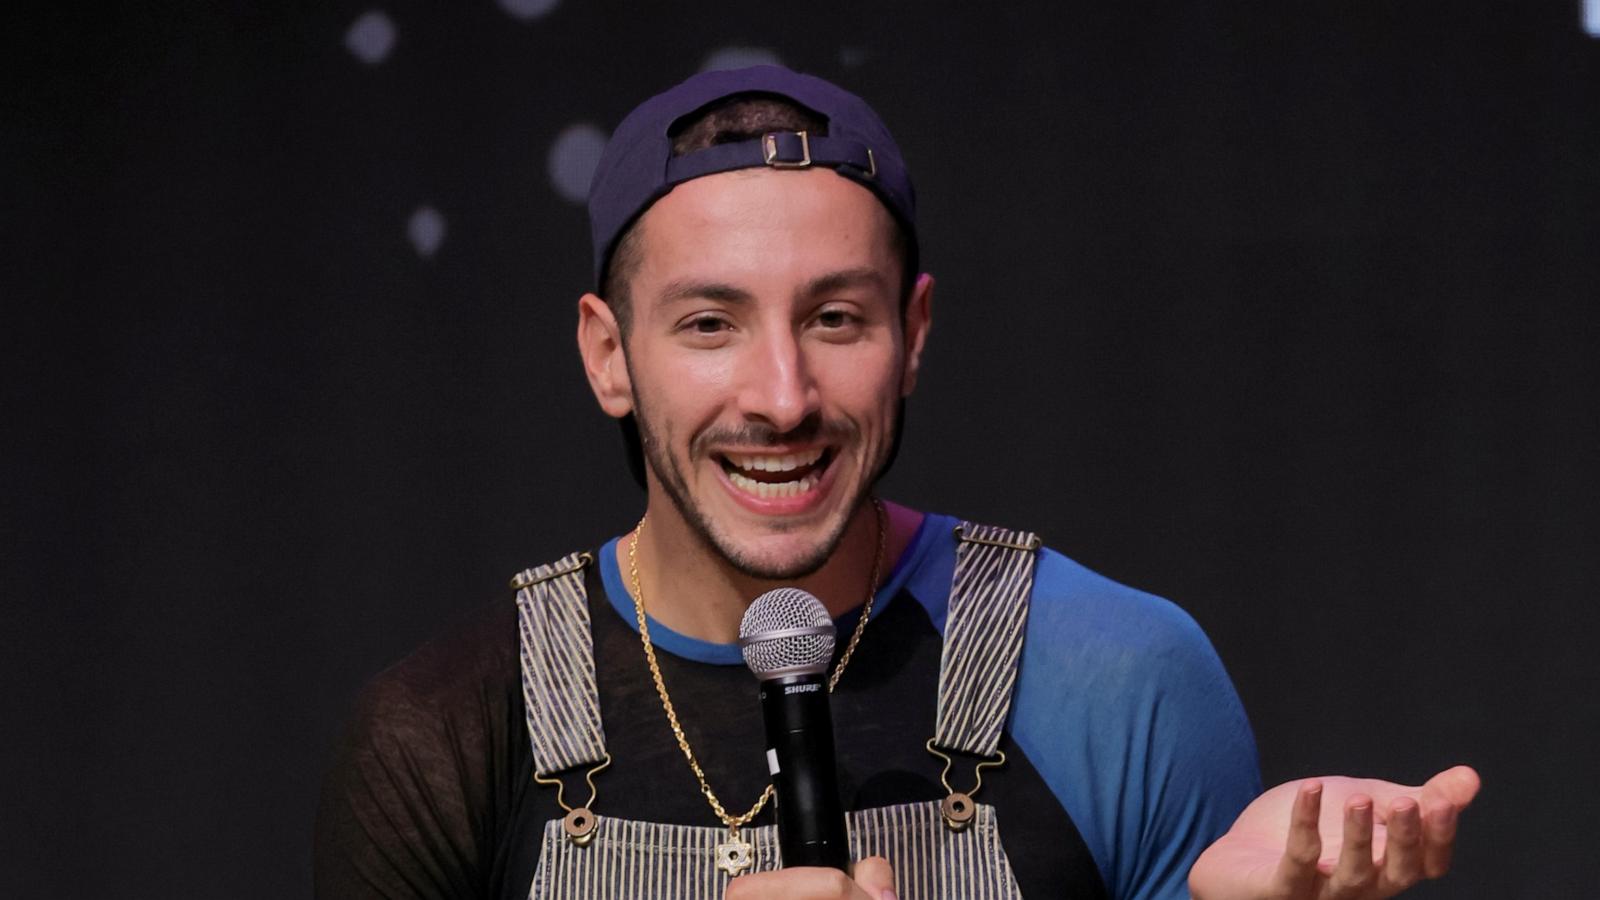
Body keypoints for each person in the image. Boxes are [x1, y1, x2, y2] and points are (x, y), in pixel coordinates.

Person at [314, 65, 1476, 899]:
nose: (781, 394)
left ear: (913, 334)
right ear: (609, 354)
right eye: (710, 323)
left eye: (834, 318)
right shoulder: (443, 737)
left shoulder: (1121, 681)